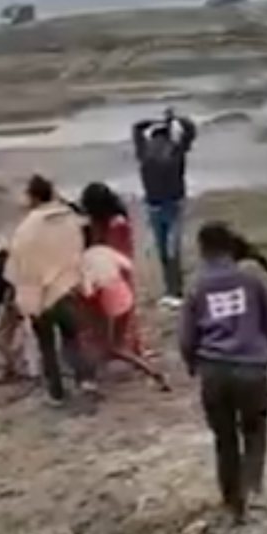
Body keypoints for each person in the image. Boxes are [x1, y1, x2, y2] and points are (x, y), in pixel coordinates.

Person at [180, 221, 267, 524]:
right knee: (255, 432)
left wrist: (191, 364)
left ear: (202, 250)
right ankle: (252, 489)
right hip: (252, 370)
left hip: (214, 373)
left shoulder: (196, 286)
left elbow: (187, 337)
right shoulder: (252, 281)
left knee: (224, 440)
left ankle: (231, 503)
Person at [4, 175, 97, 404]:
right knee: (72, 336)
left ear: (33, 197)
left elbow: (20, 262)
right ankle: (85, 380)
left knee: (47, 345)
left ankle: (56, 393)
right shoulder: (68, 218)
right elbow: (79, 246)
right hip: (66, 286)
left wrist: (20, 292)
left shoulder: (28, 227)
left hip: (40, 293)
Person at [77, 230, 170, 391]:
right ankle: (150, 372)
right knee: (113, 344)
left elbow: (88, 291)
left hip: (110, 305)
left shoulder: (84, 261)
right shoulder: (105, 250)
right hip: (125, 296)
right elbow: (128, 265)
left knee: (111, 347)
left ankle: (151, 372)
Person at [78, 182, 154, 358]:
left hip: (117, 268)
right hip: (108, 267)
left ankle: (128, 346)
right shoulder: (107, 221)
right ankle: (114, 345)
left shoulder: (116, 224)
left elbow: (114, 249)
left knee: (123, 310)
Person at [131, 108, 197, 307]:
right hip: (167, 205)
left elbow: (136, 128)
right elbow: (189, 130)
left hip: (163, 206)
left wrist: (159, 122)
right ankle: (173, 291)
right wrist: (170, 121)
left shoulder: (146, 152)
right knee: (168, 251)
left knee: (168, 251)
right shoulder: (174, 150)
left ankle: (175, 291)